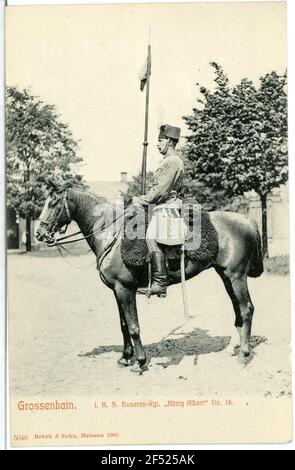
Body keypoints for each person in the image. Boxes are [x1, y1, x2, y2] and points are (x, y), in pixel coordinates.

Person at [133, 124, 184, 297]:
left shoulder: (173, 162)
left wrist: (142, 200)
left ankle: (160, 283)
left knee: (150, 236)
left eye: (160, 141)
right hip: (162, 205)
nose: (157, 144)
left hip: (169, 205)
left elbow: (161, 190)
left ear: (169, 141)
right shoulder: (167, 161)